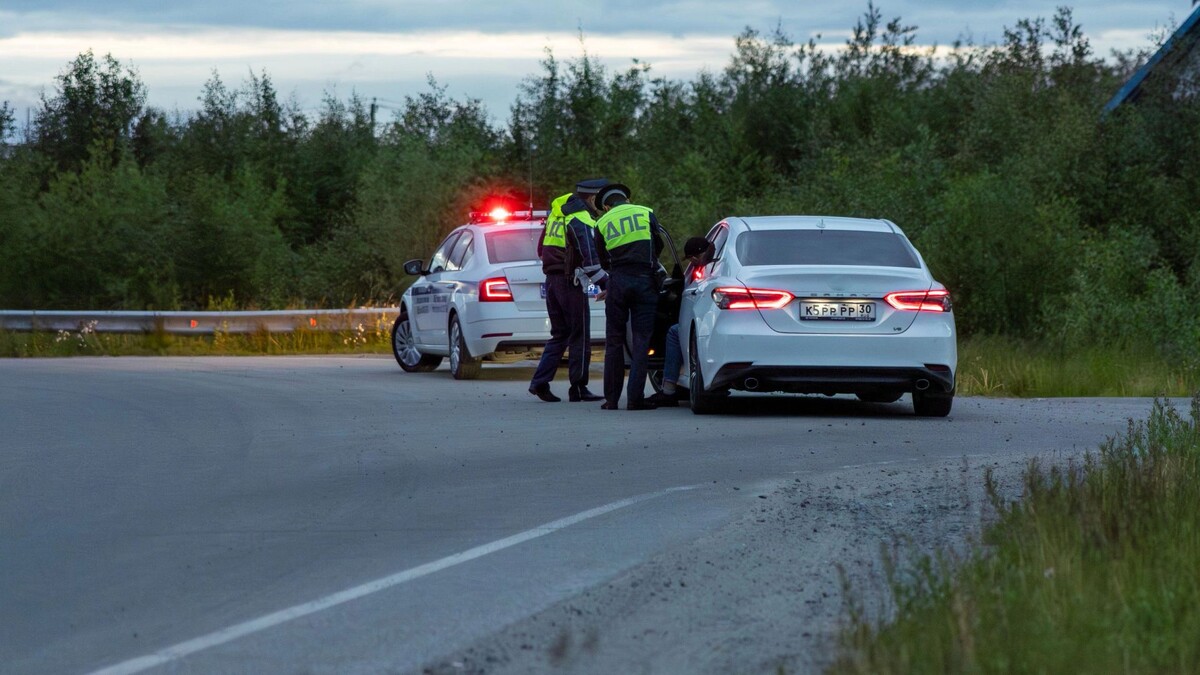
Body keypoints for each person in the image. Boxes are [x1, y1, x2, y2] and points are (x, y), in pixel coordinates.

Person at [528, 179, 609, 403]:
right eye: (599, 201)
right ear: (592, 198)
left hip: (552, 282)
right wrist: (607, 284)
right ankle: (579, 388)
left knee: (560, 334)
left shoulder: (557, 213)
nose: (600, 206)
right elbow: (591, 261)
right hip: (571, 282)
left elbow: (540, 249)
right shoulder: (580, 219)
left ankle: (539, 382)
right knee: (579, 336)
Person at [592, 183, 664, 410]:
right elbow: (658, 243)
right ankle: (635, 399)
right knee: (642, 340)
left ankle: (611, 400)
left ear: (606, 206)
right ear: (627, 200)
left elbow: (601, 257)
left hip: (618, 282)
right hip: (645, 281)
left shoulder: (601, 222)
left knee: (614, 340)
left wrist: (615, 274)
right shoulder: (646, 212)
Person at [647, 237, 714, 407]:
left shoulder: (707, 270)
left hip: (708, 322)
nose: (692, 262)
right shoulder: (717, 264)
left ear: (702, 253)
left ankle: (669, 389)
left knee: (675, 332)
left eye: (693, 258)